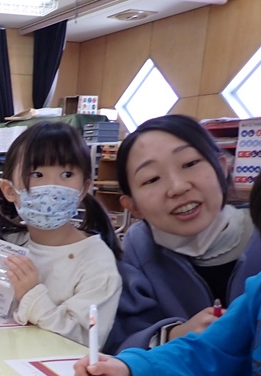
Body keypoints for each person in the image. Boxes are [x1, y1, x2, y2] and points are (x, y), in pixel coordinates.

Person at [0, 121, 122, 347]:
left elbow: (84, 340)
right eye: (37, 174)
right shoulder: (11, 245)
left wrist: (32, 294)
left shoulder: (96, 262)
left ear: (83, 189)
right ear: (9, 190)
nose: (52, 186)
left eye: (67, 174)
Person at [104, 114, 261, 354]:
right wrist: (172, 334)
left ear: (221, 167)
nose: (177, 187)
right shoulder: (137, 249)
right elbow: (118, 342)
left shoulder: (257, 231)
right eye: (152, 179)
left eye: (190, 164)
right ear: (132, 206)